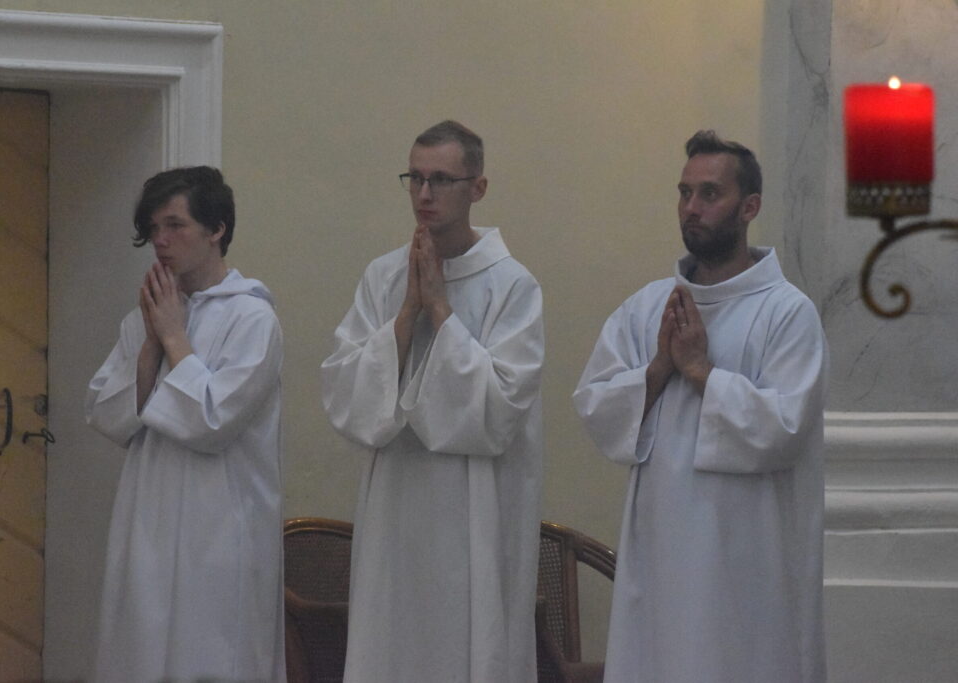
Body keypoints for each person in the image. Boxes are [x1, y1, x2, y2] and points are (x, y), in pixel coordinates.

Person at [573, 130, 828, 683]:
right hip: (661, 555)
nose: (692, 207)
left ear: (749, 207)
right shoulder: (647, 308)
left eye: (710, 194)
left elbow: (784, 429)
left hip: (747, 561)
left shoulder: (787, 313)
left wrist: (700, 371)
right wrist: (659, 369)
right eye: (685, 192)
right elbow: (595, 406)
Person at [320, 120, 544, 682]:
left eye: (441, 180)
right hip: (394, 508)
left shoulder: (513, 286)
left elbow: (498, 412)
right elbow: (345, 394)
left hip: (474, 513)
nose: (424, 194)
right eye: (415, 178)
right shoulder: (383, 276)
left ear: (478, 188)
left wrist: (442, 310)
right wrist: (406, 315)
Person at [86, 166, 285, 683]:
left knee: (210, 654)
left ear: (217, 228)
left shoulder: (252, 319)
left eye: (175, 225)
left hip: (220, 525)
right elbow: (108, 415)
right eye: (154, 229)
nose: (161, 241)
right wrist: (152, 345)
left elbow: (212, 422)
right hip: (148, 516)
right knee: (140, 650)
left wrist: (175, 338)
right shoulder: (145, 317)